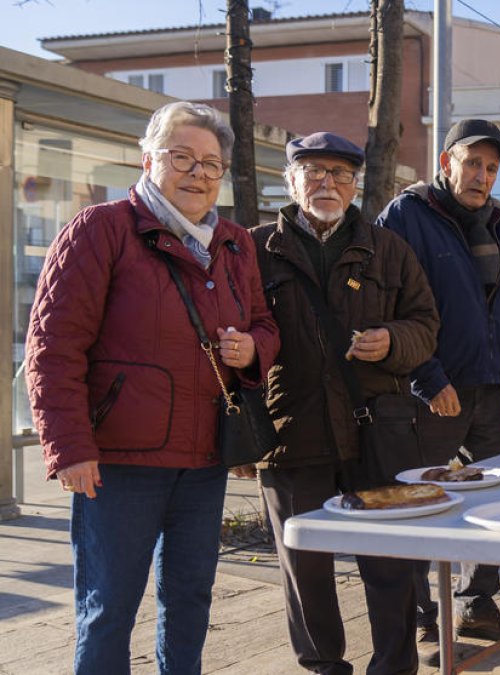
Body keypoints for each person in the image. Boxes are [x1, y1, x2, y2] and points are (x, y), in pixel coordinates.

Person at [24, 101, 280, 674]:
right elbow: (53, 347)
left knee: (190, 599)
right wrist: (68, 448)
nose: (198, 173)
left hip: (204, 460)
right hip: (117, 464)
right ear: (148, 159)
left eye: (211, 164)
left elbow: (264, 323)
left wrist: (254, 348)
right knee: (108, 608)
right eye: (181, 157)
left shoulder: (235, 242)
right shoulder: (101, 229)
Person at [250, 132, 439, 675]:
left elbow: (427, 327)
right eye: (313, 172)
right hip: (290, 429)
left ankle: (393, 666)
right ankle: (323, 666)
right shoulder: (256, 248)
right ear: (291, 181)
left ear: (355, 185)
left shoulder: (390, 249)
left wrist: (393, 341)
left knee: (389, 562)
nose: (326, 183)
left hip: (378, 427)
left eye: (339, 174)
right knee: (303, 564)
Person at [377, 119, 500, 650]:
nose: (481, 175)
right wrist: (428, 379)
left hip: (489, 390)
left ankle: (476, 603)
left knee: (493, 501)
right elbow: (391, 306)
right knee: (423, 502)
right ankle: (421, 618)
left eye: (492, 168)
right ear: (447, 161)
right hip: (432, 393)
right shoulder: (407, 215)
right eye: (472, 163)